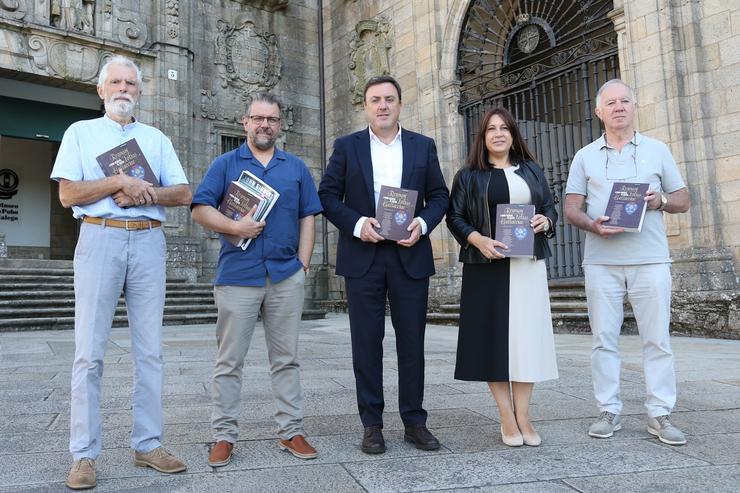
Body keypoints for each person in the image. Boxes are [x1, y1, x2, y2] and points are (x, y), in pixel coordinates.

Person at [50, 55, 192, 490]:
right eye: (116, 82)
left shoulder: (156, 137)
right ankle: (84, 455)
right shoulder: (80, 132)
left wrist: (145, 194)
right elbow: (68, 193)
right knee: (89, 352)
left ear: (141, 91)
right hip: (100, 237)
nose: (124, 89)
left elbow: (184, 193)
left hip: (148, 239)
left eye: (131, 83)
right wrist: (116, 183)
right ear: (101, 90)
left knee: (150, 351)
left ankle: (147, 444)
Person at [318, 75, 449, 454]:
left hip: (410, 253)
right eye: (375, 99)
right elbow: (327, 195)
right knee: (366, 343)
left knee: (412, 343)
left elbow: (439, 195)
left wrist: (422, 225)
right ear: (366, 106)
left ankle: (414, 421)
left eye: (389, 99)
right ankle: (371, 424)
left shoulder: (423, 147)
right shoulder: (347, 147)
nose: (383, 105)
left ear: (400, 104)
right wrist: (359, 224)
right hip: (364, 255)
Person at [191, 92, 323, 467]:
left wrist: (304, 262)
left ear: (280, 125)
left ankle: (290, 430)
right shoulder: (225, 164)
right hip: (237, 276)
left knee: (286, 360)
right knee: (229, 361)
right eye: (258, 118)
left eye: (272, 119)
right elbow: (200, 209)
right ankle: (223, 435)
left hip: (285, 276)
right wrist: (235, 225)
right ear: (245, 122)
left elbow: (308, 216)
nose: (265, 124)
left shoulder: (295, 167)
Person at [564, 79, 691, 445]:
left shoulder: (657, 150)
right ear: (599, 112)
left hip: (650, 260)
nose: (619, 107)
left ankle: (660, 414)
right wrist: (591, 224)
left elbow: (683, 198)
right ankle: (609, 410)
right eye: (611, 103)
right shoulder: (584, 156)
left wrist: (660, 201)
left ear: (634, 107)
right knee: (604, 340)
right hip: (601, 262)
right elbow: (572, 207)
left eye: (625, 101)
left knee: (657, 340)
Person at [446, 107, 559, 447]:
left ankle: (524, 415)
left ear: (513, 134)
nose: (498, 134)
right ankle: (506, 416)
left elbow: (549, 208)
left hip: (527, 265)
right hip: (487, 267)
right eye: (491, 129)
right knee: (493, 342)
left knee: (527, 341)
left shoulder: (532, 171)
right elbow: (455, 216)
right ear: (482, 137)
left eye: (504, 128)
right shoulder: (468, 175)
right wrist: (476, 239)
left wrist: (546, 222)